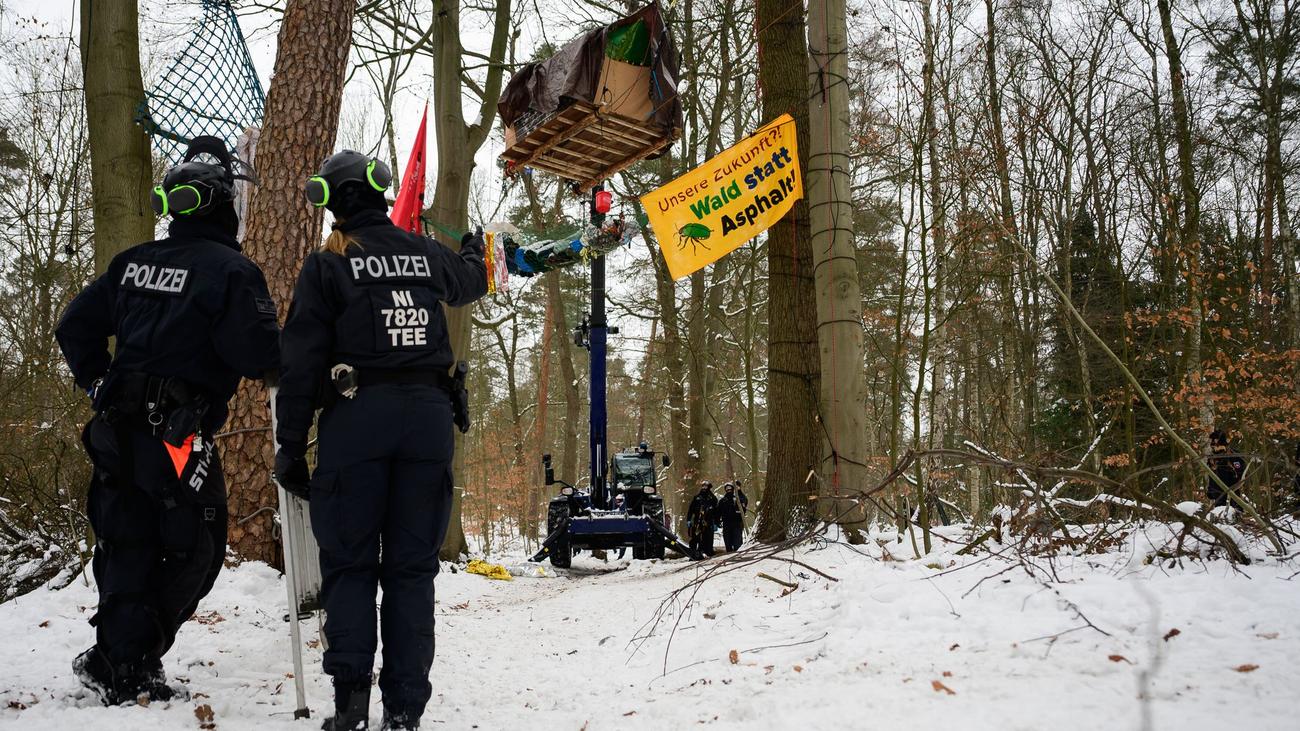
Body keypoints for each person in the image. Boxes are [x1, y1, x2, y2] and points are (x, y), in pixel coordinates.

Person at [55, 136, 280, 705]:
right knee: (197, 548)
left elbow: (74, 327)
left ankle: (122, 659)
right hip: (176, 434)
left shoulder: (131, 263)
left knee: (124, 541)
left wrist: (98, 380)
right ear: (222, 203)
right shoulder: (231, 271)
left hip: (115, 429)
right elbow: (259, 357)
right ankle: (125, 660)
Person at [273, 150, 486, 731]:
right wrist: (471, 250)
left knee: (350, 566)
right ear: (379, 193)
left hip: (357, 420)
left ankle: (350, 706)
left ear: (332, 202)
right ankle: (404, 711)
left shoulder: (328, 265)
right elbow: (471, 283)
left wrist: (290, 446)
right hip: (427, 422)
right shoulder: (422, 252)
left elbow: (299, 364)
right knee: (412, 570)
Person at [1206, 429, 1247, 509]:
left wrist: (1224, 460)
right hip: (1218, 495)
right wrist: (1210, 490)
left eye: (1215, 443)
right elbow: (1212, 475)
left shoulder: (1234, 455)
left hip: (1232, 494)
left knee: (1234, 515)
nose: (1213, 446)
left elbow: (1240, 474)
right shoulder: (1212, 458)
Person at [686, 480, 719, 557]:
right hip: (697, 521)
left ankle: (708, 552)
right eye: (703, 486)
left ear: (708, 487)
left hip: (709, 521)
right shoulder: (697, 498)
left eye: (706, 486)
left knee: (708, 538)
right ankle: (693, 553)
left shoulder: (712, 498)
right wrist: (688, 520)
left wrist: (716, 522)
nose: (704, 488)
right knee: (695, 538)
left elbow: (716, 511)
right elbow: (691, 510)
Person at [717, 481, 749, 552]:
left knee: (737, 543)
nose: (729, 490)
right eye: (727, 489)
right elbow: (718, 512)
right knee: (728, 543)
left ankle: (739, 555)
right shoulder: (722, 501)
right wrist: (717, 521)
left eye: (730, 489)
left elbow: (743, 509)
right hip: (726, 524)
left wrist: (739, 515)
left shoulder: (738, 499)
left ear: (733, 489)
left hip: (736, 523)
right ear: (725, 490)